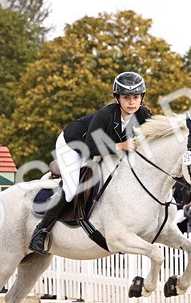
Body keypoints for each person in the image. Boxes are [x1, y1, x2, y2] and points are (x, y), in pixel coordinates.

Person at [29, 72, 153, 254]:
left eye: (136, 97)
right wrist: (122, 146)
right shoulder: (105, 115)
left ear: (142, 97)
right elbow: (90, 149)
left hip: (101, 147)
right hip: (73, 145)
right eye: (126, 97)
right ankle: (40, 231)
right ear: (117, 98)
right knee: (71, 189)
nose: (131, 102)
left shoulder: (143, 115)